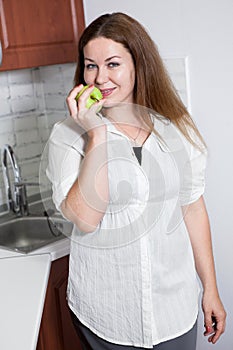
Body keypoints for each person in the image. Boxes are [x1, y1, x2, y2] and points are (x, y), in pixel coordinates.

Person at [46, 12, 226, 350]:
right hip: (107, 314)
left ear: (138, 64)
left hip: (175, 308)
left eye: (113, 64)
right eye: (90, 66)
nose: (99, 78)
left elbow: (193, 208)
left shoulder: (176, 127)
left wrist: (210, 289)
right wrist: (96, 135)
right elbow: (85, 218)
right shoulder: (67, 136)